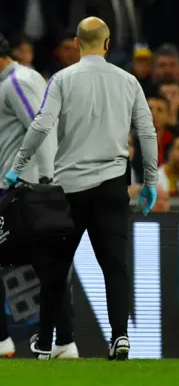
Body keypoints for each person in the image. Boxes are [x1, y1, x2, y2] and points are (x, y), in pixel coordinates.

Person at [3, 17, 158, 361]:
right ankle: (120, 337)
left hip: (70, 190)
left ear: (76, 43)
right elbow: (147, 133)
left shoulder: (62, 79)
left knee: (56, 267)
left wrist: (16, 167)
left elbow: (42, 124)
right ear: (107, 44)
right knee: (115, 266)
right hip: (112, 186)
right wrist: (150, 182)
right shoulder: (128, 80)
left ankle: (45, 341)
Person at [0, 33, 78, 359]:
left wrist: (48, 179)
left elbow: (41, 125)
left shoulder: (15, 81)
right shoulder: (15, 81)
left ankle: (9, 339)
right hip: (20, 187)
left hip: (23, 189)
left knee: (45, 264)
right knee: (46, 265)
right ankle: (64, 342)